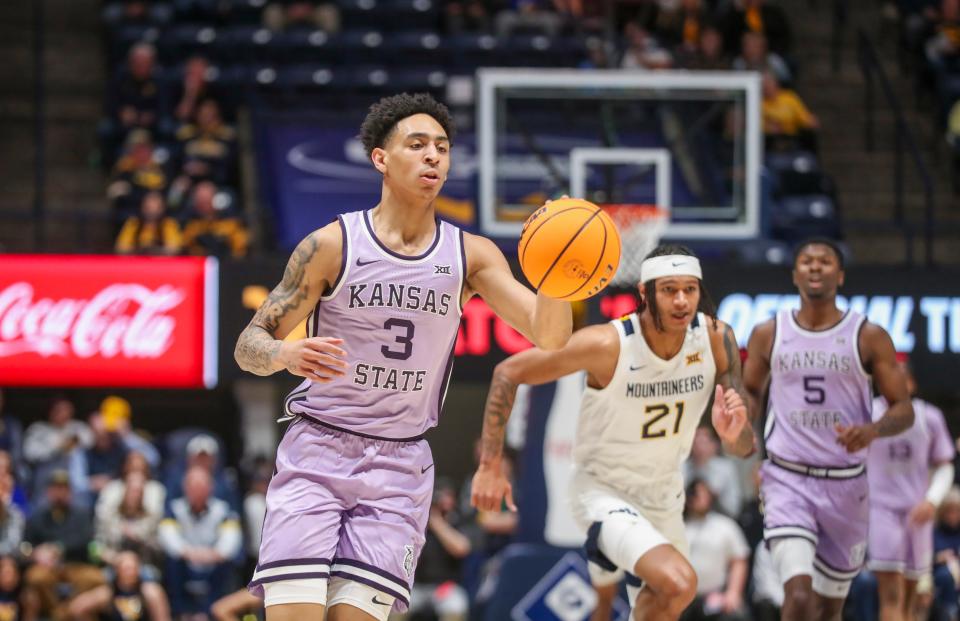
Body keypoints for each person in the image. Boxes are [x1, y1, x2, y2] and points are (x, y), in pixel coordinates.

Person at [233, 92, 572, 621]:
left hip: (399, 464)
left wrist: (558, 274)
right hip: (317, 451)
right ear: (381, 159)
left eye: (442, 146)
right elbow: (247, 346)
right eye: (417, 144)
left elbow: (550, 336)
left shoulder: (471, 255)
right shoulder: (332, 244)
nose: (433, 155)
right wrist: (284, 352)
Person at [470, 243, 756, 620]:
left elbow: (743, 448)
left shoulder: (717, 339)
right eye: (669, 289)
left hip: (665, 495)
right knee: (680, 581)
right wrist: (490, 464)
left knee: (669, 601)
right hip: (603, 492)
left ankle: (603, 585)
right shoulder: (609, 344)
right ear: (644, 293)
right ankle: (603, 562)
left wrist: (734, 433)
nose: (682, 301)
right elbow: (508, 372)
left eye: (690, 289)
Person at [743, 237, 915, 621]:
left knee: (827, 610)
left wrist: (873, 430)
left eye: (824, 261)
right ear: (794, 274)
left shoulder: (868, 335)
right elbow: (751, 391)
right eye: (807, 261)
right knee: (800, 598)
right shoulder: (769, 332)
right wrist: (740, 418)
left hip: (846, 484)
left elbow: (904, 409)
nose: (815, 267)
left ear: (840, 274)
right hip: (787, 479)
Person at [866, 356, 956, 621]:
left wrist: (932, 500)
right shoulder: (867, 414)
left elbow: (945, 465)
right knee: (891, 595)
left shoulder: (930, 417)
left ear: (912, 383)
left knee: (915, 599)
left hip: (919, 514)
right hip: (881, 511)